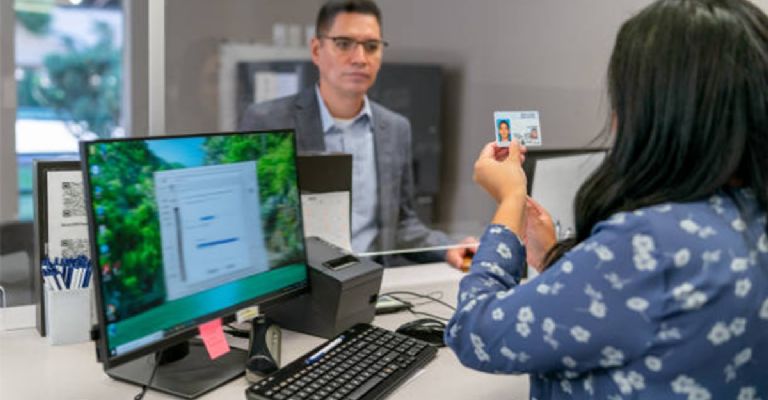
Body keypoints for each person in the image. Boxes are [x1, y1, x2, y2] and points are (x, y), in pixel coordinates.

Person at [445, 0, 768, 398]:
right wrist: (558, 263)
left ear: (656, 108)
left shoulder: (649, 244)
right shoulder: (749, 218)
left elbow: (474, 332)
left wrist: (510, 198)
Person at [239, 0, 475, 267]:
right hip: (300, 284)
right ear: (316, 50)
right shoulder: (268, 121)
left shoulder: (395, 129)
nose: (360, 58)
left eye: (371, 46)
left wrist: (448, 248)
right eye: (344, 44)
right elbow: (252, 222)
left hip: (373, 281)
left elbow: (401, 224)